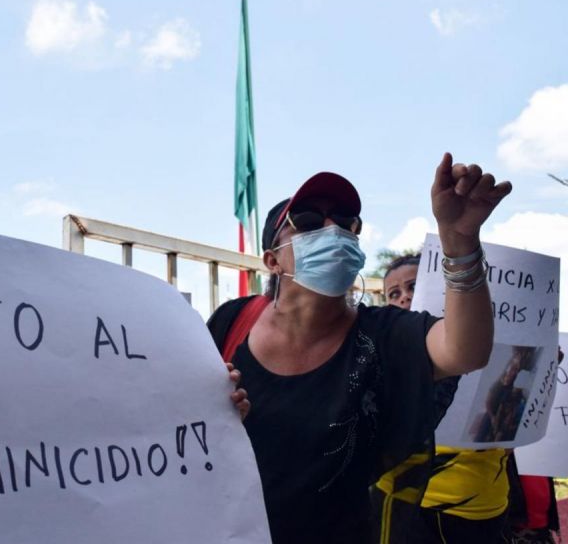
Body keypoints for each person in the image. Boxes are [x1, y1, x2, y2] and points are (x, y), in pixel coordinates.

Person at [207, 153, 511, 543]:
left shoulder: (384, 334)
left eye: (346, 221)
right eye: (309, 221)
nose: (333, 229)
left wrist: (460, 240)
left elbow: (465, 351)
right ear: (272, 260)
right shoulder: (232, 320)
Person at [375, 254, 511, 544]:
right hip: (407, 505)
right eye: (394, 294)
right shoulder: (376, 356)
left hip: (481, 506)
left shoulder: (485, 350)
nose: (404, 297)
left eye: (413, 286)